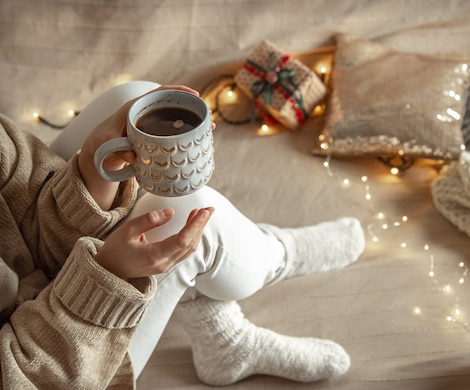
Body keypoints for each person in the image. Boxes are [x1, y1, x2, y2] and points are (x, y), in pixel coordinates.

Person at [0, 81, 366, 388]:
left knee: (135, 96)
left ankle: (224, 338)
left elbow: (18, 218)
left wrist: (94, 171)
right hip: (57, 361)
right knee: (185, 211)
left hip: (32, 278)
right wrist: (105, 279)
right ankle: (277, 257)